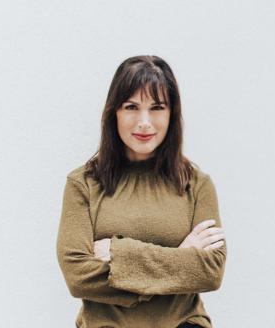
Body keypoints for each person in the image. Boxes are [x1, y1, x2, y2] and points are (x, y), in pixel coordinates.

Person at [56, 55, 227, 328]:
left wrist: (120, 253)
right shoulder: (83, 184)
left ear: (171, 114)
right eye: (131, 107)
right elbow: (78, 277)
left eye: (157, 107)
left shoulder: (196, 184)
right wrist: (182, 256)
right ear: (114, 112)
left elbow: (210, 271)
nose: (144, 122)